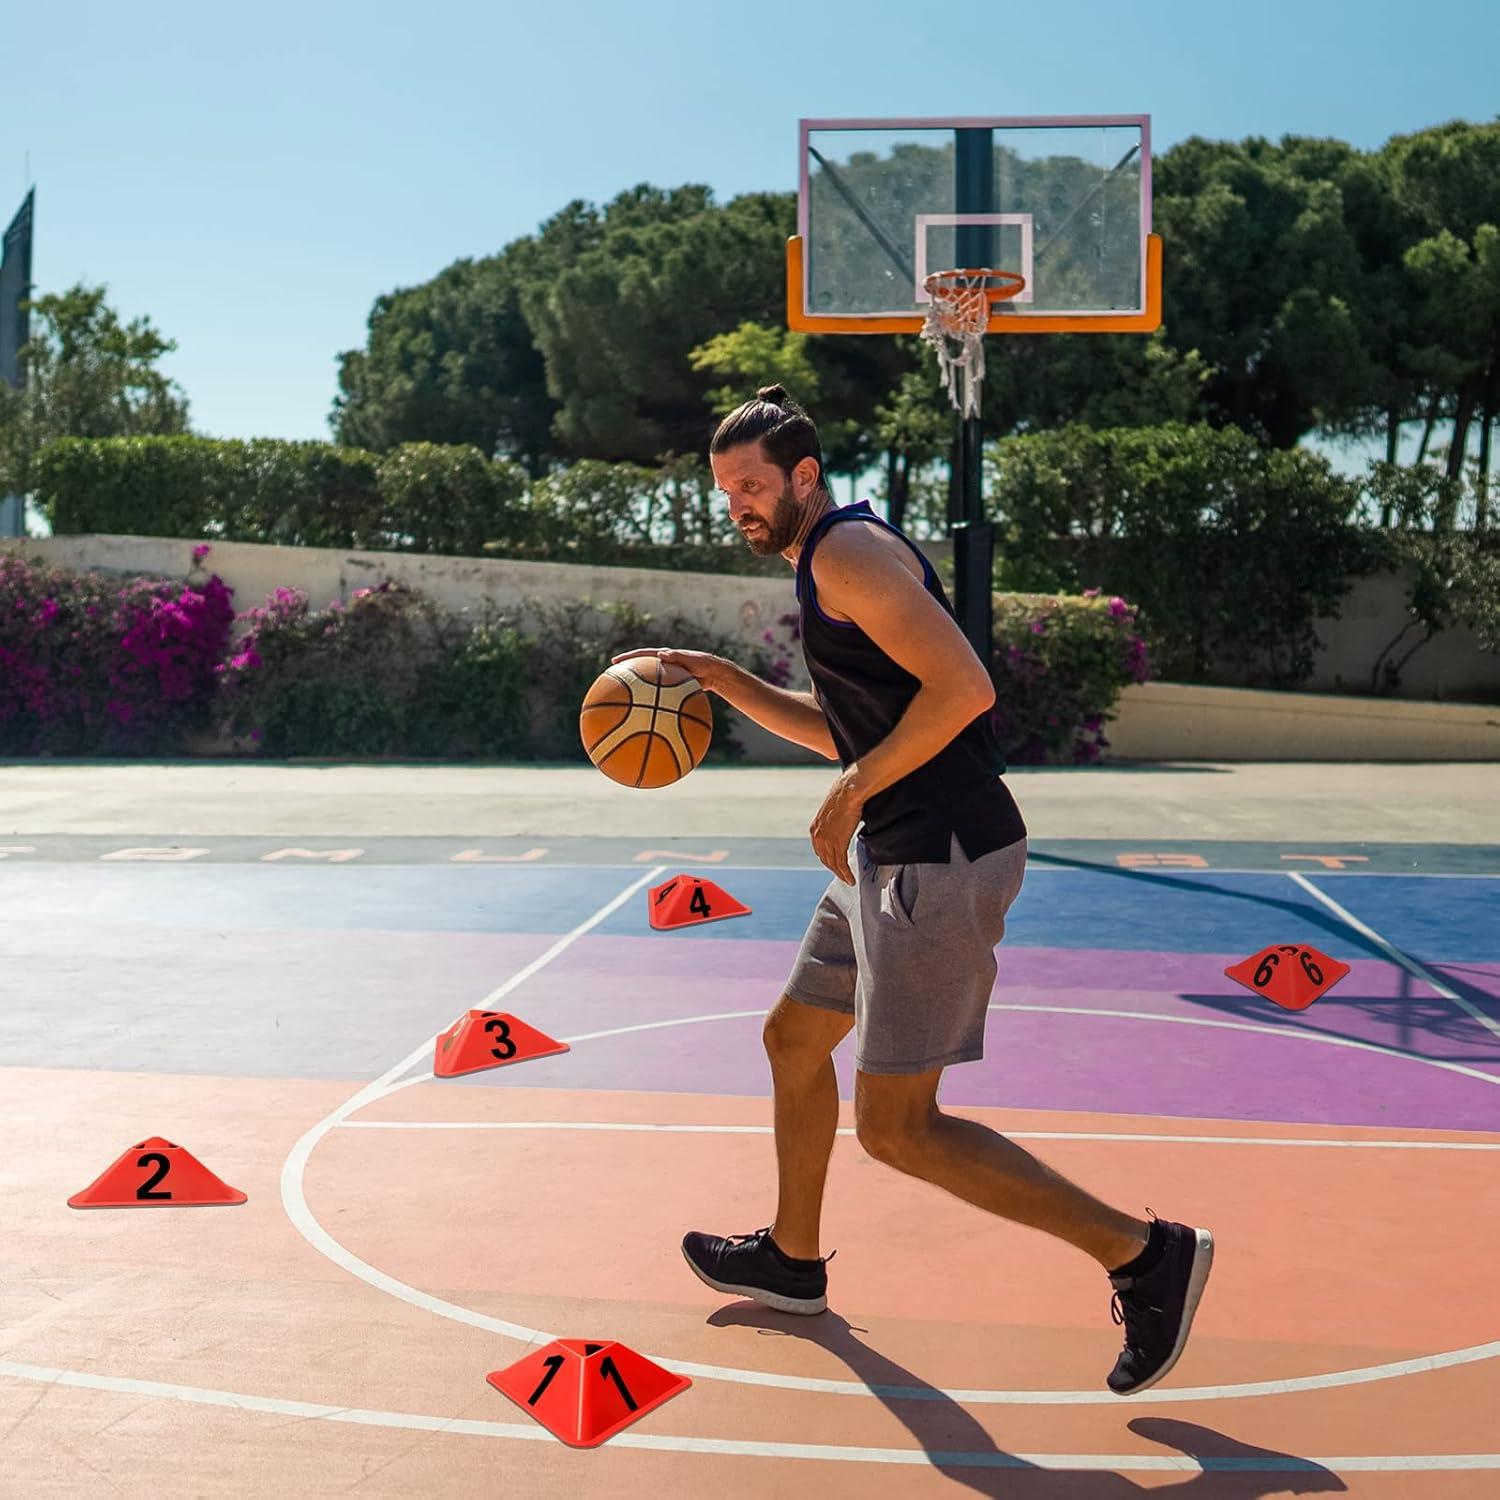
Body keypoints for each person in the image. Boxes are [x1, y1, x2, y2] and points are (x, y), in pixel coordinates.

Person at [612, 385, 1213, 1396]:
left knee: (899, 1127)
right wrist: (722, 679)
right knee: (795, 1038)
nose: (740, 507)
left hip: (935, 856)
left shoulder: (846, 555)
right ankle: (792, 1262)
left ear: (806, 476)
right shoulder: (829, 557)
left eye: (753, 486)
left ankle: (1145, 1254)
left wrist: (852, 791)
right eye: (726, 492)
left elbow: (965, 690)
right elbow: (851, 728)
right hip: (888, 854)